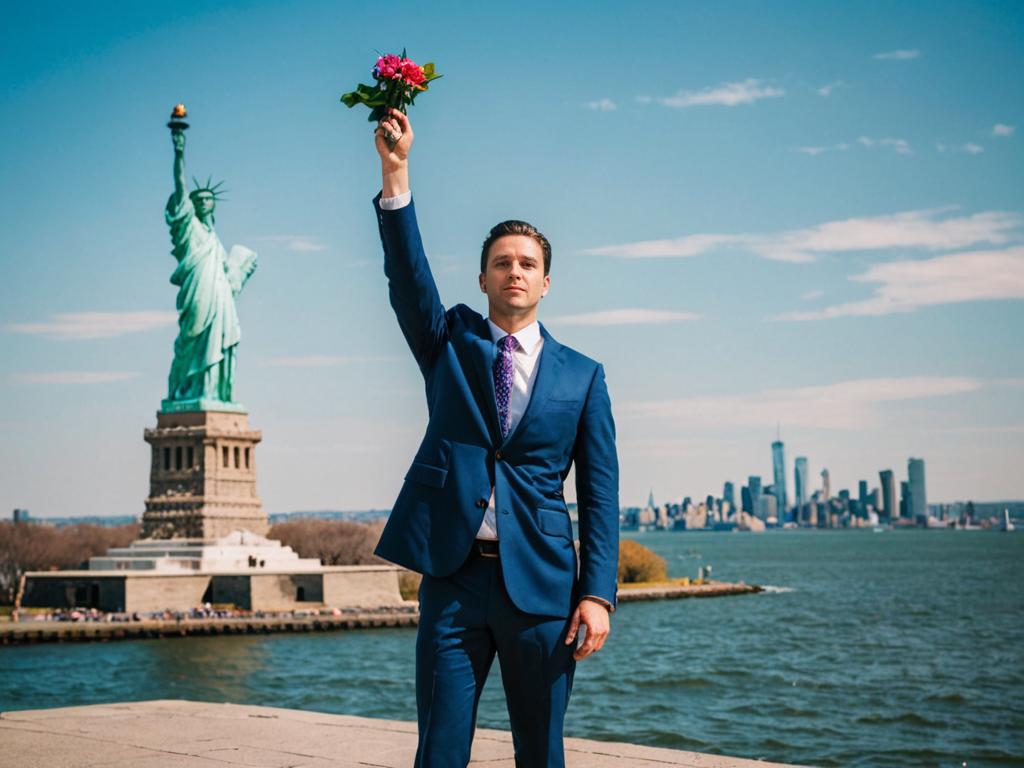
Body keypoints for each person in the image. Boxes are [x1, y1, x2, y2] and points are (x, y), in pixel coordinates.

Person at [370, 107, 619, 768]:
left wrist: (596, 595)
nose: (514, 271)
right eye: (501, 262)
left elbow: (599, 497)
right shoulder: (448, 340)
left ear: (546, 281)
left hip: (541, 588)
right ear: (482, 279)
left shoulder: (584, 377)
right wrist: (396, 172)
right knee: (440, 750)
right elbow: (408, 280)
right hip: (452, 582)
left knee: (541, 751)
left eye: (528, 263)